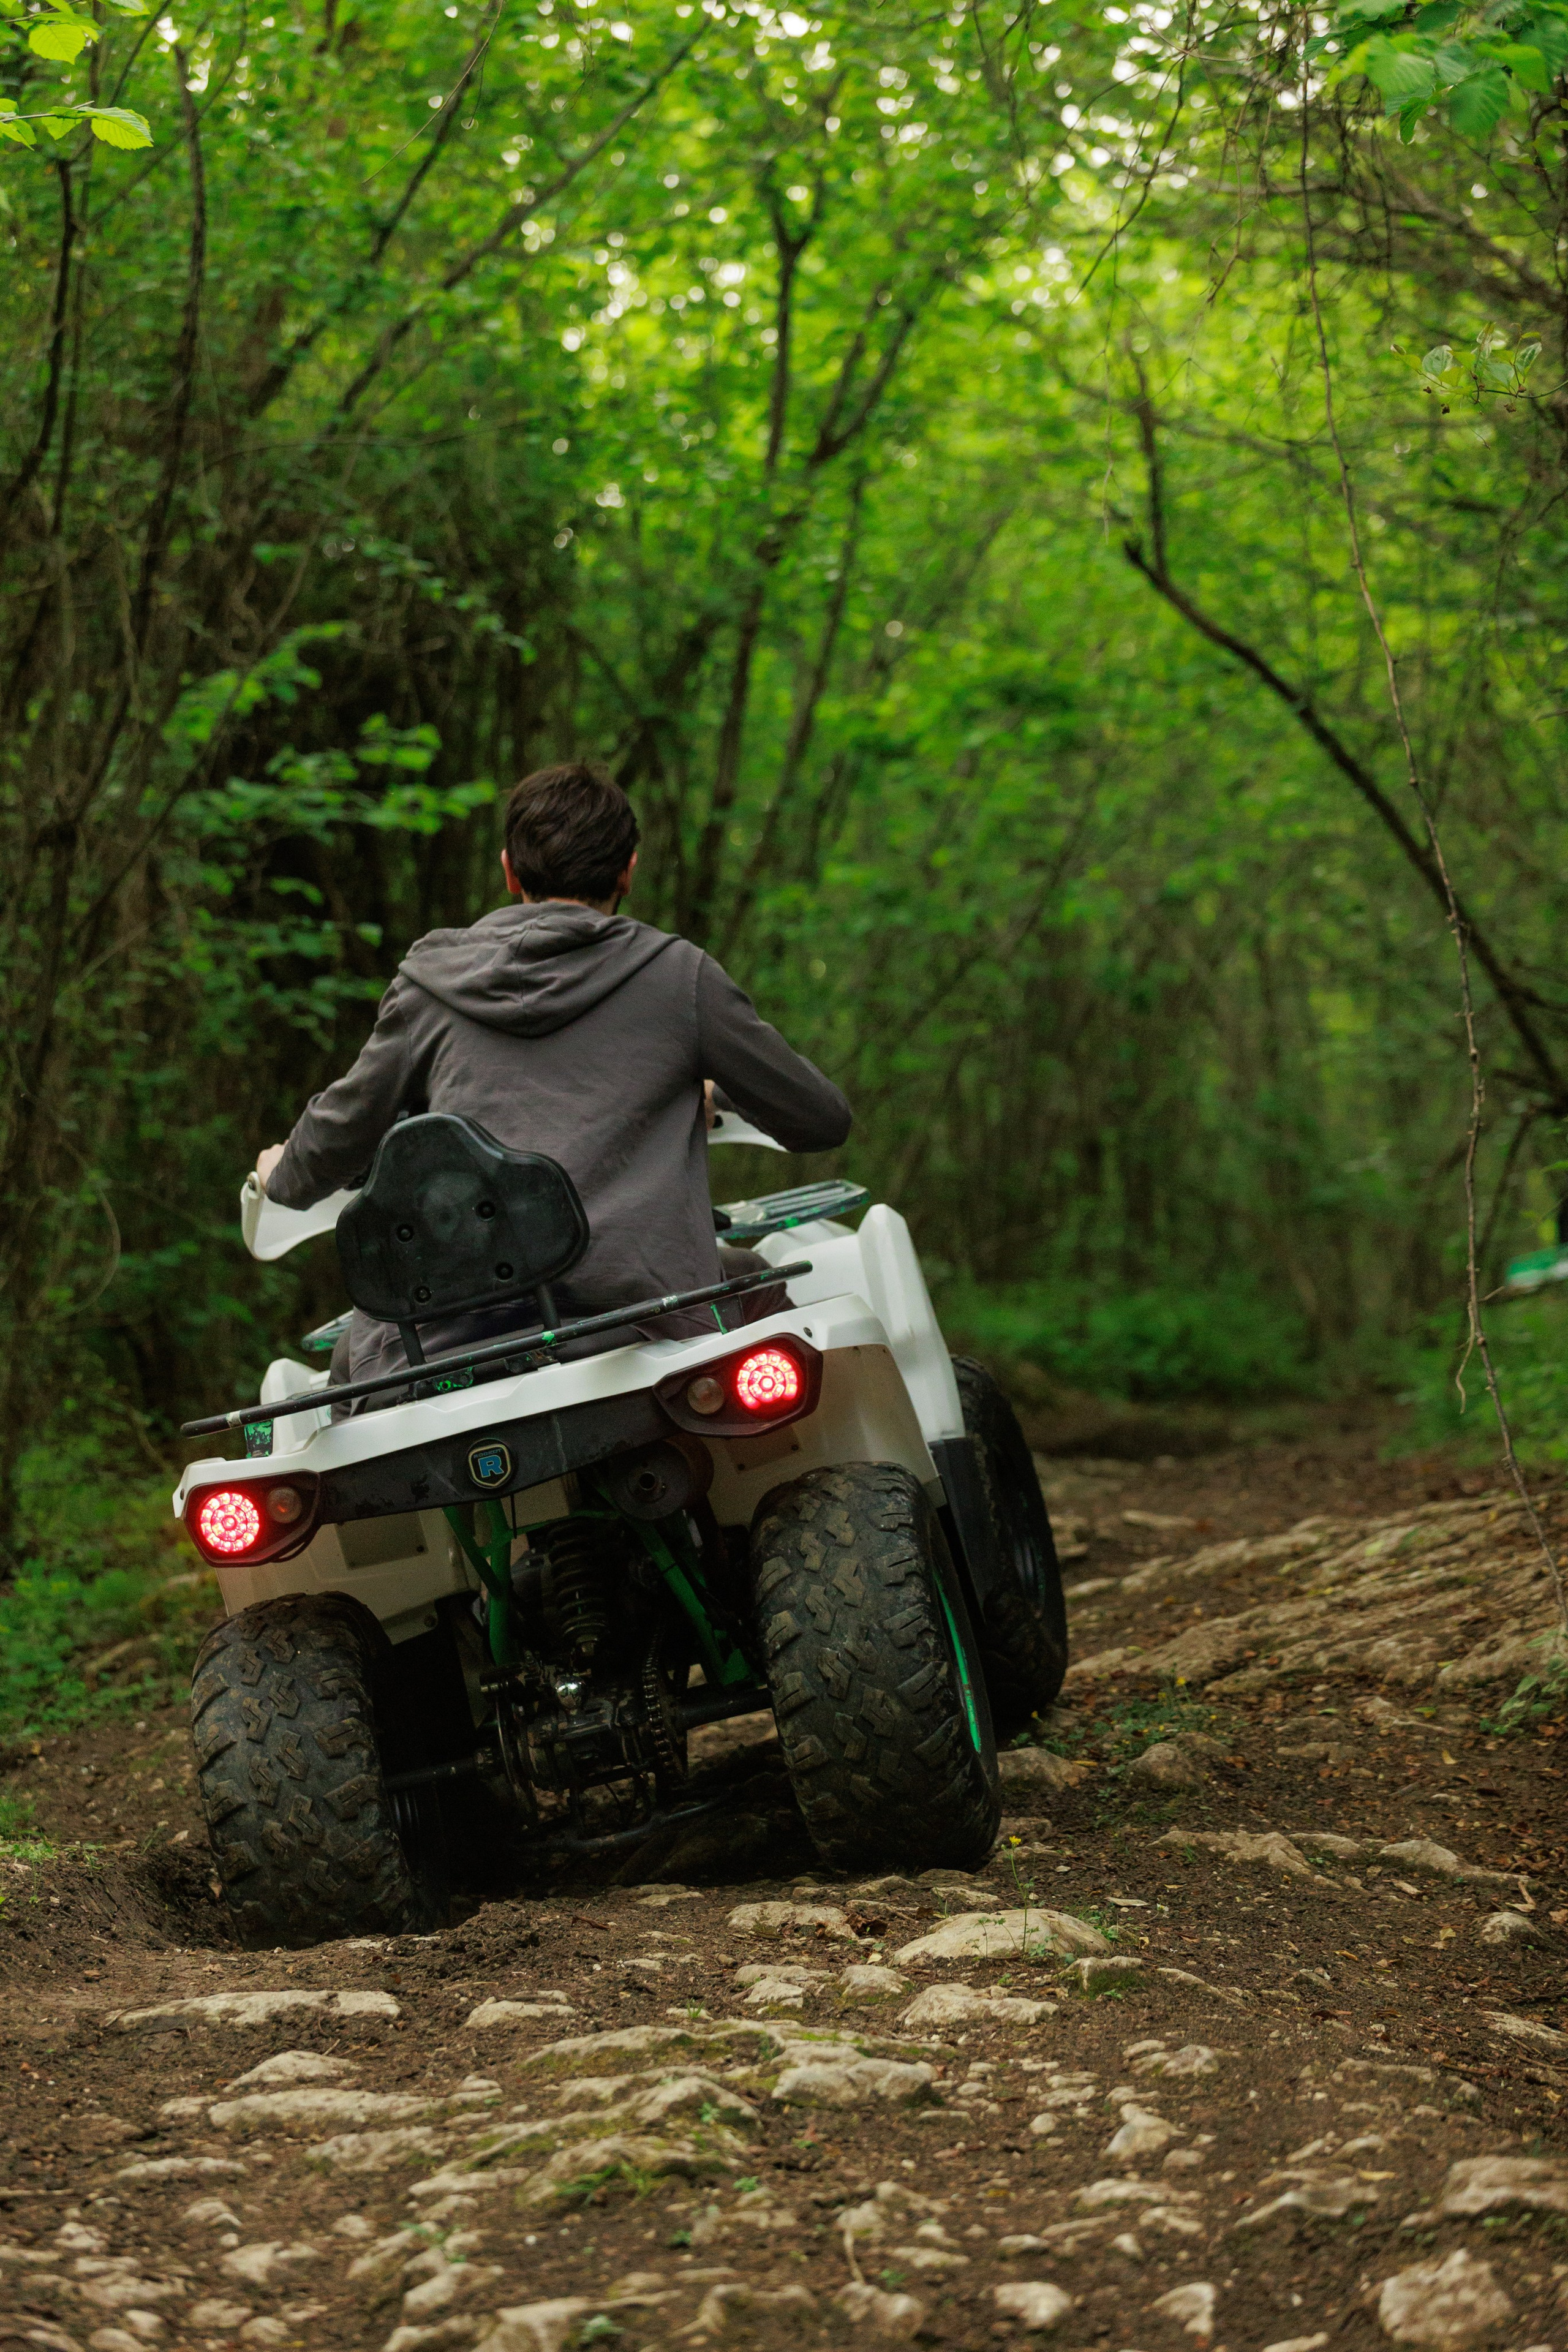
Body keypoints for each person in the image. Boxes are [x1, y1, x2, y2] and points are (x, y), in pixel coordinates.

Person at [256, 761, 852, 1390]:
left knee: (355, 1365)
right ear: (628, 869)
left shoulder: (428, 988)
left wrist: (282, 1171)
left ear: (510, 869)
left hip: (450, 1327)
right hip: (644, 1316)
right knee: (768, 1304)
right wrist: (706, 1083)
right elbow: (819, 1120)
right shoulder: (680, 978)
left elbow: (333, 1142)